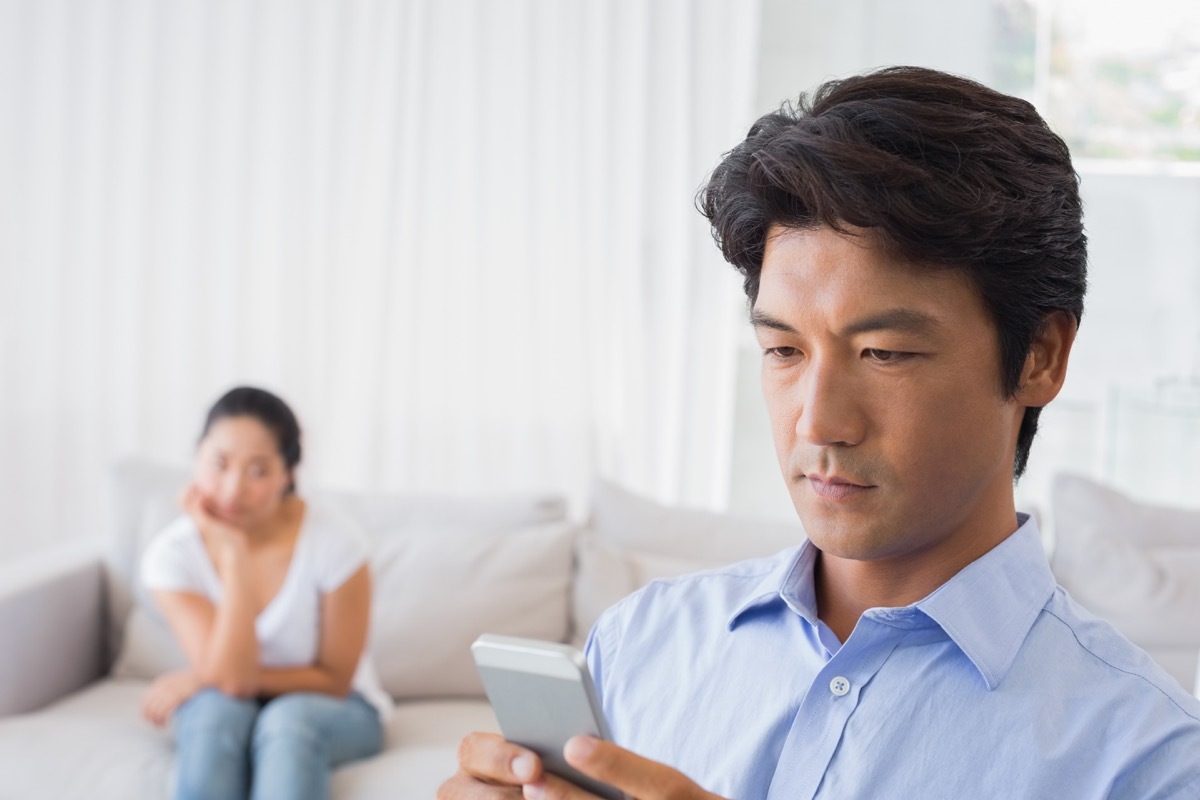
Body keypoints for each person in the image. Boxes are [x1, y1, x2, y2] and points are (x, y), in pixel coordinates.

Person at [439, 66, 1200, 799]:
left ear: (1040, 355)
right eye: (783, 351)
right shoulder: (640, 643)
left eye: (885, 354)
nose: (817, 420)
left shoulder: (1149, 759)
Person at [139, 386, 390, 800]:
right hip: (227, 701)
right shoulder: (171, 556)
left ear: (288, 474)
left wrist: (204, 676)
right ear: (197, 457)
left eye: (257, 471)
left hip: (338, 705)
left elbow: (332, 681)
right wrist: (235, 558)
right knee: (215, 715)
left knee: (287, 721)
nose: (233, 489)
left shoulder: (337, 544)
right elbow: (229, 685)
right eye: (219, 464)